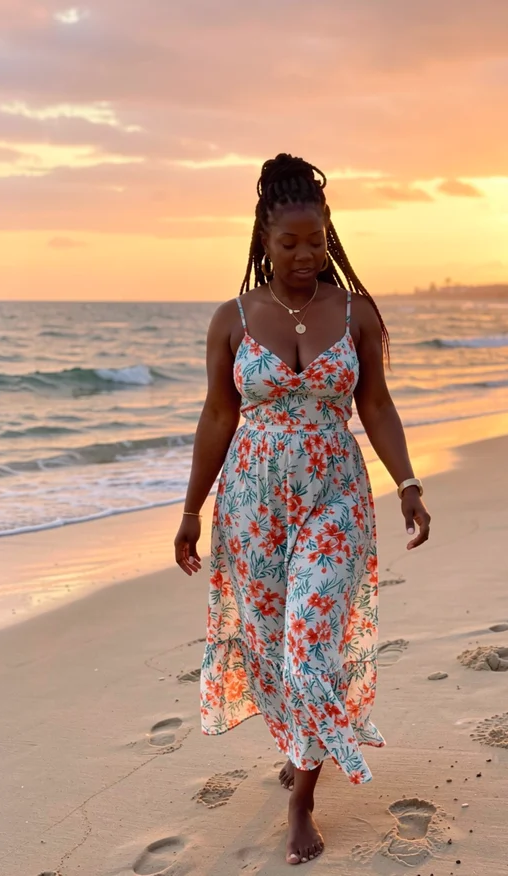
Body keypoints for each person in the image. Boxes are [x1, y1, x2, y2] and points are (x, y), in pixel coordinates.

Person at [174, 153, 431, 865]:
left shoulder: (356, 313)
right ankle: (299, 742)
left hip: (334, 497)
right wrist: (192, 511)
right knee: (268, 651)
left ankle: (303, 800)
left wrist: (408, 484)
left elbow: (374, 404)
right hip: (251, 504)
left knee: (309, 644)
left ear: (329, 236)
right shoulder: (232, 318)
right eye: (288, 244)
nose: (304, 256)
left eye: (315, 242)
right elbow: (218, 417)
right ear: (262, 238)